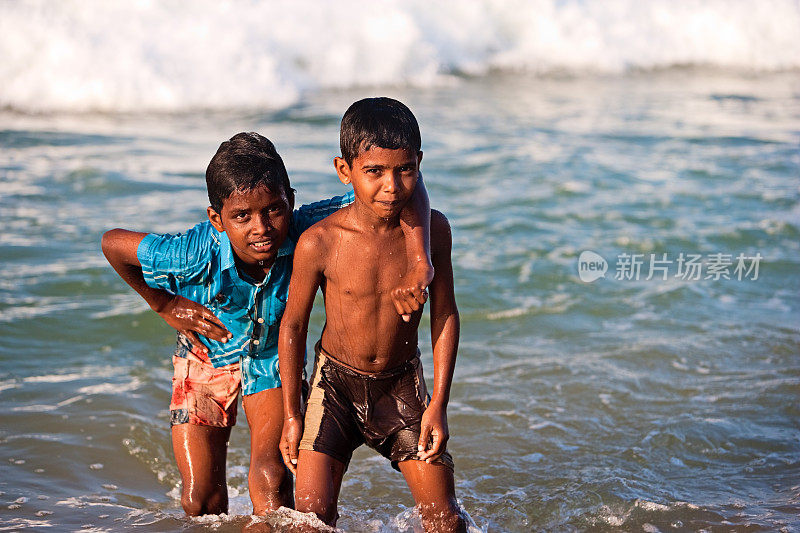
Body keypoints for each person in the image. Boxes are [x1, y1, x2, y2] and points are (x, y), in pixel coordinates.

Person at [101, 132, 432, 516]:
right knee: (199, 501)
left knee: (272, 480)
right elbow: (113, 243)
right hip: (205, 356)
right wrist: (164, 303)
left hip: (271, 359)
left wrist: (420, 258)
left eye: (274, 210)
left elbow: (405, 188)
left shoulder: (308, 228)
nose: (261, 227)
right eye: (241, 216)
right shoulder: (190, 253)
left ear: (290, 199)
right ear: (216, 219)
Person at [279, 98, 466, 532]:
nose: (392, 186)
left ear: (419, 165)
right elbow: (293, 325)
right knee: (310, 520)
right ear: (344, 171)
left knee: (446, 521)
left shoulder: (433, 230)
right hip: (335, 387)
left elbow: (445, 314)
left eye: (404, 170)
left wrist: (439, 403)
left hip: (401, 387)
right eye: (374, 172)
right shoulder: (320, 241)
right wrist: (292, 414)